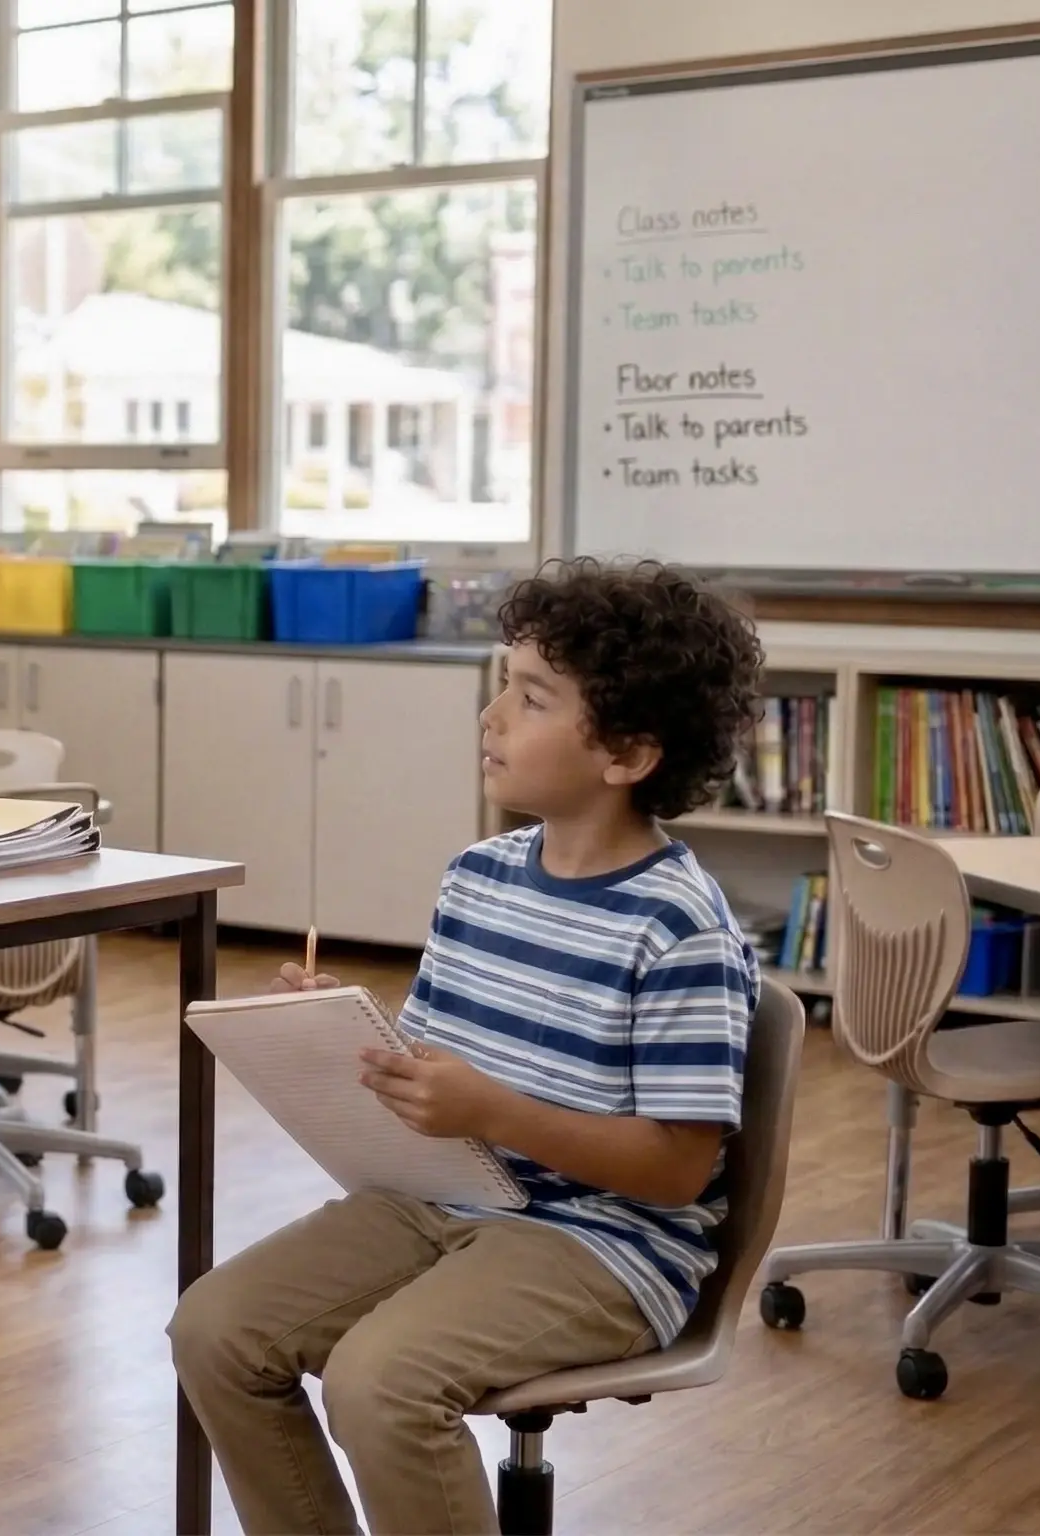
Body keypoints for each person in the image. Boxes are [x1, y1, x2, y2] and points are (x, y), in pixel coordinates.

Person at [169, 557, 765, 1535]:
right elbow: (436, 1068)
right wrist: (342, 1037)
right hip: (442, 1195)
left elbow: (674, 1167)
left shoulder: (677, 929)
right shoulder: (477, 877)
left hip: (603, 1244)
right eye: (501, 684)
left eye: (529, 698)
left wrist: (490, 1110)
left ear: (624, 754)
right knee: (213, 1328)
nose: (490, 717)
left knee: (378, 1384)